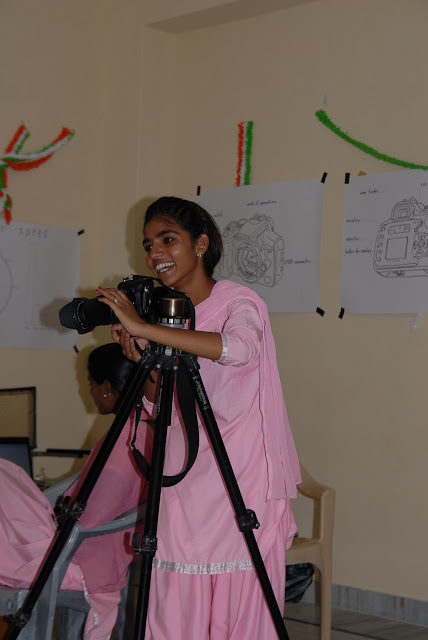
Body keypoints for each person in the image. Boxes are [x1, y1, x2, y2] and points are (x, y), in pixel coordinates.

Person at [96, 196, 301, 639]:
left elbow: (239, 349)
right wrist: (143, 359)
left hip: (237, 473)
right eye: (148, 245)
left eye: (167, 240)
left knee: (237, 605)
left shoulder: (238, 302)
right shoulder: (164, 316)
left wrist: (144, 329)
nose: (155, 254)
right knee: (175, 599)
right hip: (183, 475)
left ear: (201, 244)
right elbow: (162, 407)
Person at [0, 343, 151, 640]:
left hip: (78, 558)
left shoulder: (126, 437)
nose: (90, 391)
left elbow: (90, 514)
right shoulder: (140, 429)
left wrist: (58, 514)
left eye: (91, 384)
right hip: (95, 552)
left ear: (106, 388)